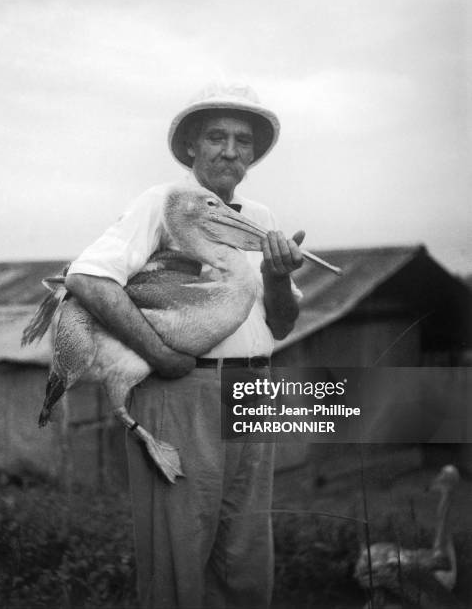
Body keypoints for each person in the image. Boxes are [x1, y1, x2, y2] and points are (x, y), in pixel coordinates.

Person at [65, 82, 304, 609]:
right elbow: (88, 277)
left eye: (243, 140)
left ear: (254, 153)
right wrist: (161, 353)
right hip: (183, 392)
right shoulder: (164, 203)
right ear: (192, 146)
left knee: (245, 550)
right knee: (179, 552)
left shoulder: (259, 219)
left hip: (254, 389)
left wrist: (279, 277)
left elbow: (281, 325)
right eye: (216, 136)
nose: (230, 150)